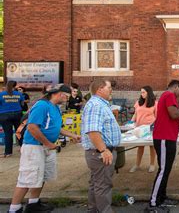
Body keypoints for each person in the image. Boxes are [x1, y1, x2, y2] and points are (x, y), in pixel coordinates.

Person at [8, 84, 80, 213]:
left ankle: (33, 204)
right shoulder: (42, 106)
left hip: (46, 147)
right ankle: (14, 208)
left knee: (40, 177)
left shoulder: (56, 108)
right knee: (27, 178)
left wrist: (72, 135)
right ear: (58, 94)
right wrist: (48, 143)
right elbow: (32, 127)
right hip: (34, 147)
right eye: (67, 96)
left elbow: (56, 128)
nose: (67, 99)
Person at [145, 80, 179, 212]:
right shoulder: (169, 95)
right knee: (163, 170)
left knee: (166, 170)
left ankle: (162, 197)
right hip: (164, 137)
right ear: (177, 87)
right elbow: (174, 114)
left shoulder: (166, 96)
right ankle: (153, 203)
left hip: (167, 137)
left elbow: (173, 115)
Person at [81, 80, 121, 213]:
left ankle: (94, 210)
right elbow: (93, 130)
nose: (111, 90)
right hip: (100, 152)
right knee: (103, 185)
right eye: (109, 87)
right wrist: (103, 150)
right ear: (100, 89)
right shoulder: (96, 105)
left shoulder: (99, 104)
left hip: (99, 152)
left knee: (97, 184)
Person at [129, 86, 158, 173]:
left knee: (152, 146)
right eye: (141, 92)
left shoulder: (155, 103)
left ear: (148, 92)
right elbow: (135, 114)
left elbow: (157, 116)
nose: (142, 94)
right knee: (140, 146)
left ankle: (152, 164)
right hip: (139, 128)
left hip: (150, 128)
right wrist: (130, 123)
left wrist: (155, 126)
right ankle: (137, 165)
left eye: (143, 92)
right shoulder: (138, 102)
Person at [0, 81, 24, 158]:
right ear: (15, 86)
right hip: (17, 114)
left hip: (4, 115)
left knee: (8, 133)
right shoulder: (19, 94)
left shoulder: (1, 94)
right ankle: (23, 150)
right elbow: (22, 104)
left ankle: (8, 153)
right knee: (19, 132)